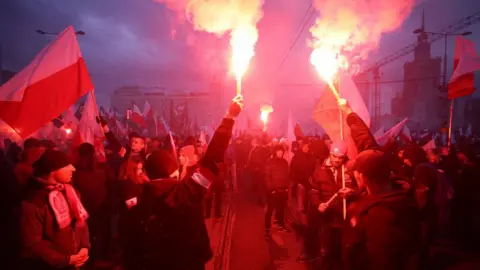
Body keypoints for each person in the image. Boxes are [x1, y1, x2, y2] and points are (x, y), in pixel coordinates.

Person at [121, 95, 243, 270]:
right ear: (174, 172)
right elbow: (212, 161)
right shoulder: (188, 192)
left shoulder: (136, 207)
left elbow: (129, 254)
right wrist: (229, 118)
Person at [338, 99, 421, 270]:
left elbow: (380, 260)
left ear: (363, 177)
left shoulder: (379, 216)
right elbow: (368, 144)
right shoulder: (397, 189)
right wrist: (349, 113)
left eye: (356, 171)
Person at [18, 150, 90, 269]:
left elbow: (81, 222)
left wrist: (84, 247)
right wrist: (66, 260)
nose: (73, 168)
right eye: (67, 165)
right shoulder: (33, 202)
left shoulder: (70, 192)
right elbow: (32, 243)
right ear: (53, 170)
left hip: (74, 263)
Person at [264, 145, 290, 236]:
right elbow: (267, 177)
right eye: (278, 151)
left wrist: (287, 188)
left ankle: (281, 225)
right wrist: (271, 189)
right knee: (270, 210)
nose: (280, 153)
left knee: (281, 209)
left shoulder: (285, 162)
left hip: (283, 189)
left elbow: (287, 175)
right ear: (275, 152)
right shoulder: (270, 162)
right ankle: (267, 228)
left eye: (281, 151)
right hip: (273, 191)